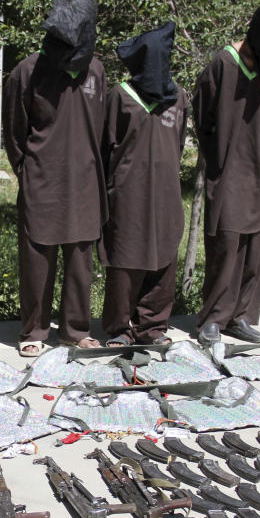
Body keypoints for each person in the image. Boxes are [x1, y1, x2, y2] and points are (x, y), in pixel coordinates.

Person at [3, 0, 105, 357]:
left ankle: (75, 330)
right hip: (42, 181)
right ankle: (34, 329)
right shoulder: (27, 72)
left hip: (85, 181)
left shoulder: (96, 70)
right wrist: (30, 172)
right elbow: (14, 134)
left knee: (80, 263)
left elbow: (102, 128)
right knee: (37, 262)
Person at [192, 0, 260, 344]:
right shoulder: (223, 65)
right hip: (229, 169)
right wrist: (220, 162)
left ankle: (241, 315)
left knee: (256, 249)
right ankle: (214, 318)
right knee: (226, 244)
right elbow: (203, 119)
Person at [100, 22, 188, 347]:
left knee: (163, 257)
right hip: (127, 192)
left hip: (166, 192)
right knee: (125, 258)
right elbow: (105, 145)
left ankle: (152, 327)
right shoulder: (120, 97)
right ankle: (119, 329)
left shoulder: (177, 98)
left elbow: (177, 143)